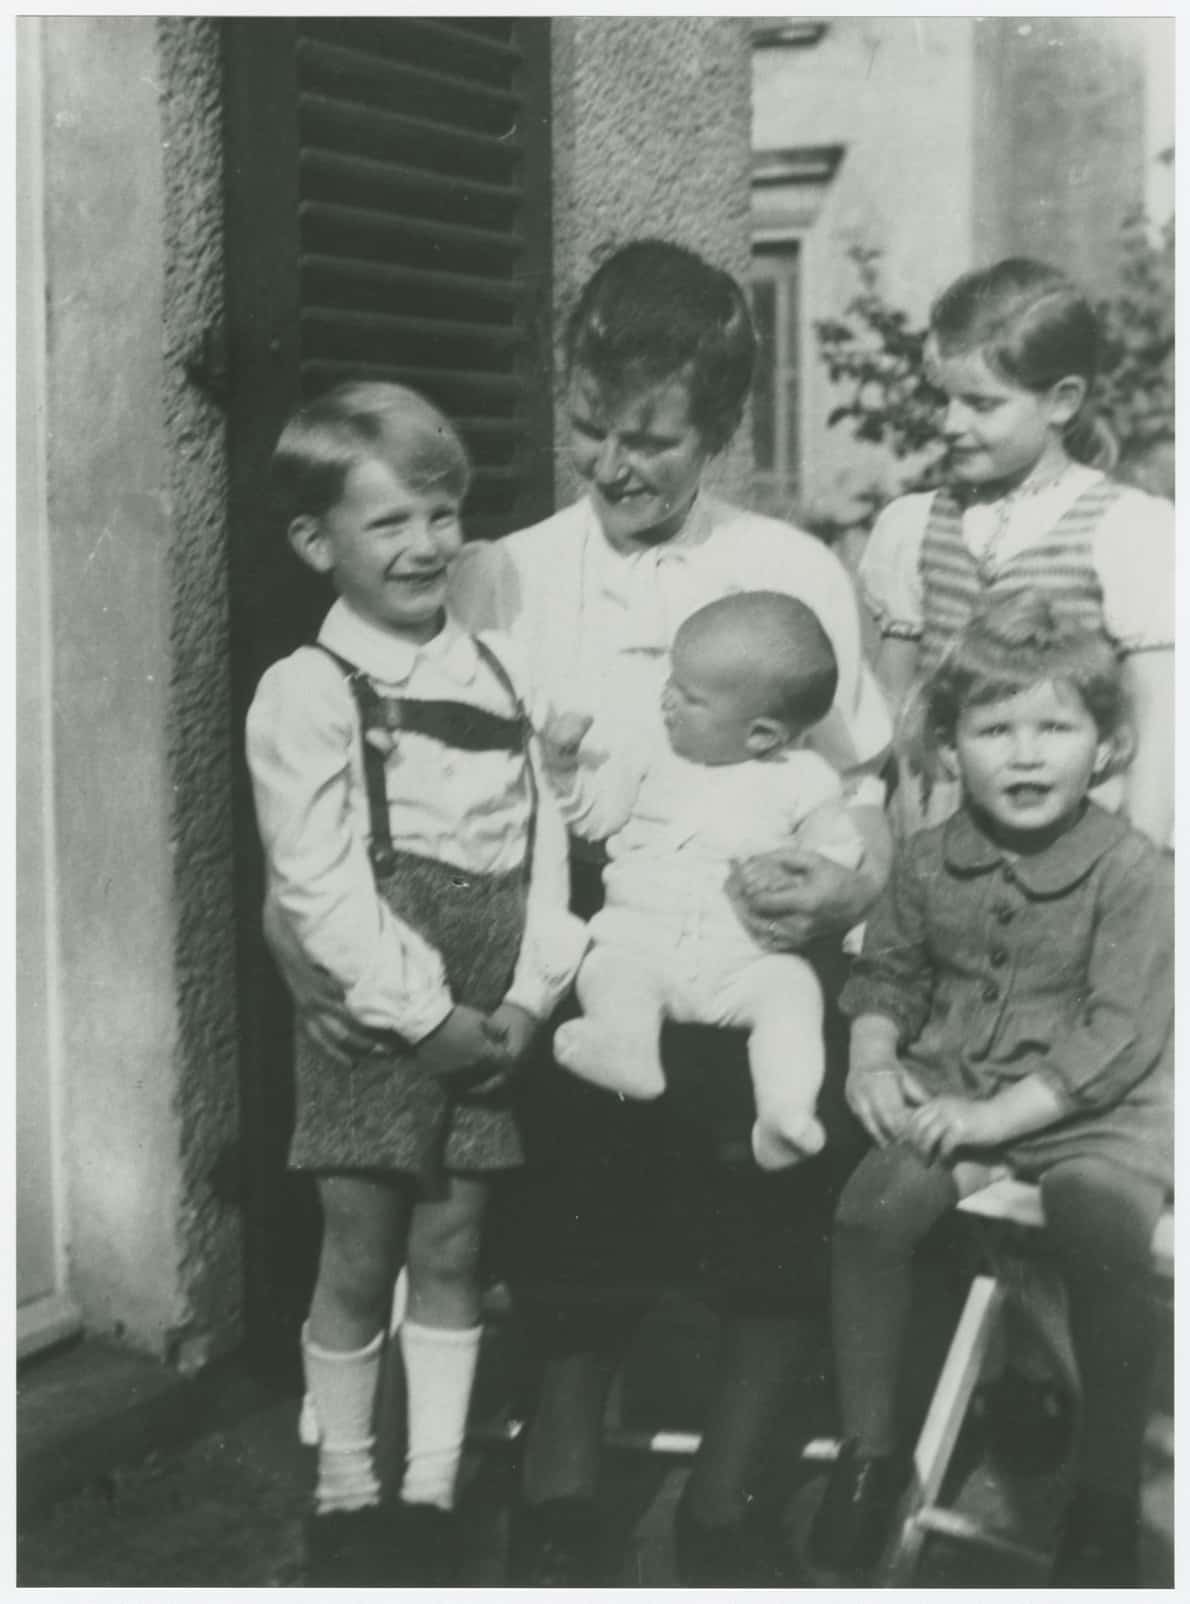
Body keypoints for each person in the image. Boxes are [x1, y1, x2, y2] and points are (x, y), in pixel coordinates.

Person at [443, 238, 894, 1585]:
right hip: (592, 934)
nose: (611, 468)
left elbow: (860, 781)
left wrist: (849, 876)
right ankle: (566, 1474)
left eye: (650, 439)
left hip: (757, 932)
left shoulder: (790, 568)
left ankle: (726, 1489)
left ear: (717, 428)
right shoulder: (503, 574)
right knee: (581, 1197)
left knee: (774, 1192)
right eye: (589, 430)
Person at [245, 382, 586, 1586]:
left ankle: (432, 1481)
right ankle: (348, 1486)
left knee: (453, 1246)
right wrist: (425, 1015)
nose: (424, 544)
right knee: (356, 1250)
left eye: (441, 515)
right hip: (384, 1004)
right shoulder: (306, 689)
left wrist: (527, 1001)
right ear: (313, 541)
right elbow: (319, 884)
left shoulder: (500, 672)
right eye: (387, 522)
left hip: (490, 1010)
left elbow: (549, 856)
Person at [806, 595, 1173, 1588]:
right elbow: (888, 971)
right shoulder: (928, 860)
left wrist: (996, 1117)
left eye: (1053, 726)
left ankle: (1100, 1490)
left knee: (1099, 1229)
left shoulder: (1132, 870)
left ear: (1104, 744)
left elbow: (1120, 1029)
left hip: (1092, 1105)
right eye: (992, 728)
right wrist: (872, 1055)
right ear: (944, 743)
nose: (1022, 754)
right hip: (957, 1075)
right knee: (871, 1206)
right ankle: (869, 1454)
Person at [859, 257, 1174, 847]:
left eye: (980, 404)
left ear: (1061, 401)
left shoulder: (1125, 530)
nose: (950, 423)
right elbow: (893, 705)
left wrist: (1147, 852)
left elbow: (1158, 717)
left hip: (1072, 831)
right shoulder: (916, 524)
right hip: (940, 828)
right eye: (944, 400)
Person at [545, 591, 863, 1171]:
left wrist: (806, 880)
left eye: (690, 698)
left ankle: (784, 1112)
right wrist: (564, 772)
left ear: (762, 735)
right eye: (673, 682)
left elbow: (837, 856)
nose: (667, 699)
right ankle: (628, 1051)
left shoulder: (805, 779)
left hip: (744, 958)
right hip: (644, 942)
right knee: (606, 967)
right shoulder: (648, 753)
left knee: (793, 993)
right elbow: (595, 816)